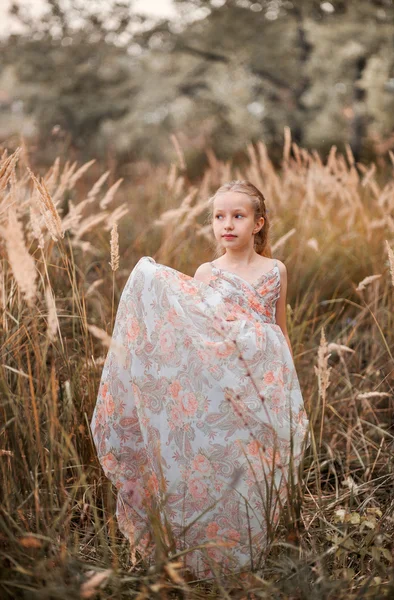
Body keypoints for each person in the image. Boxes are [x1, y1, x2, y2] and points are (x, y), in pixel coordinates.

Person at [91, 180, 309, 579]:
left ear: (258, 223)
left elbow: (280, 330)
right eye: (219, 216)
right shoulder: (207, 273)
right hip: (224, 382)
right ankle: (207, 553)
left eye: (238, 216)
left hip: (264, 381)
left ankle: (254, 549)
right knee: (224, 459)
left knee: (258, 464)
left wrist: (289, 384)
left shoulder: (276, 271)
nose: (227, 224)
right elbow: (195, 333)